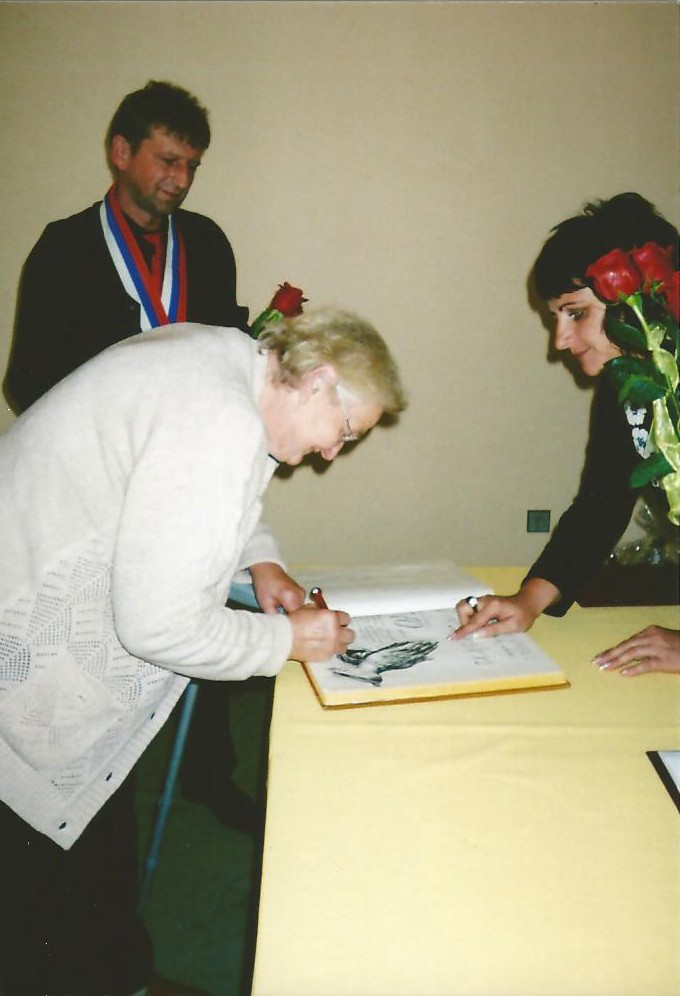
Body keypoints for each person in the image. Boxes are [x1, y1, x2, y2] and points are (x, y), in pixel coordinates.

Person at [0, 307, 407, 996]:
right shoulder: (219, 420)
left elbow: (198, 496)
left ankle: (116, 972)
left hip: (30, 610)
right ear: (318, 381)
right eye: (344, 432)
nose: (331, 454)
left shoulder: (224, 358)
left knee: (89, 849)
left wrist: (261, 560)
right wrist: (288, 640)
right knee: (39, 880)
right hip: (26, 661)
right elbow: (158, 628)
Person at [3, 79, 258, 832]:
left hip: (184, 483)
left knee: (200, 613)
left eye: (191, 166)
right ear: (121, 152)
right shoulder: (63, 249)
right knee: (99, 636)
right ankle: (90, 774)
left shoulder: (207, 244)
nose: (180, 180)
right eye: (167, 160)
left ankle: (209, 773)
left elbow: (224, 358)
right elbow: (24, 379)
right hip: (94, 489)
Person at [454, 192, 679, 676]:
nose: (559, 341)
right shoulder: (626, 383)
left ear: (638, 304)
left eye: (575, 313)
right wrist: (528, 600)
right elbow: (601, 504)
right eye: (555, 316)